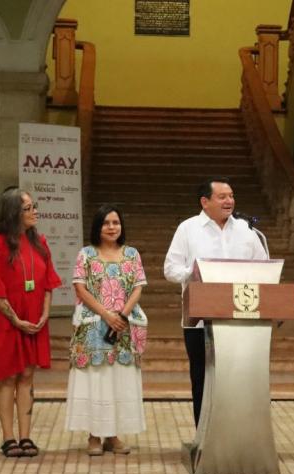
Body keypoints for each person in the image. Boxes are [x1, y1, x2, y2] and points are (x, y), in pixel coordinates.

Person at [163, 177, 268, 427]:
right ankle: (204, 435)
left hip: (241, 318)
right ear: (205, 201)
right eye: (222, 197)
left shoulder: (247, 231)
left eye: (231, 196)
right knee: (203, 378)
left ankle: (237, 433)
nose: (229, 201)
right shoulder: (187, 229)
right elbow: (170, 269)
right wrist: (193, 272)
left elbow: (264, 267)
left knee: (239, 380)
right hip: (199, 320)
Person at [0, 188, 61, 457]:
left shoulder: (40, 242)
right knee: (8, 377)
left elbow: (48, 283)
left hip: (34, 321)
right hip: (6, 321)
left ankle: (26, 436)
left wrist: (44, 314)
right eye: (27, 208)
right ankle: (8, 438)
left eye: (34, 206)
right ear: (13, 213)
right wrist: (16, 319)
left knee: (27, 375)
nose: (34, 211)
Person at [65, 206, 148, 455]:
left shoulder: (132, 254)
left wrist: (121, 315)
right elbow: (80, 288)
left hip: (123, 327)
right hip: (93, 326)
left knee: (118, 380)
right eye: (106, 223)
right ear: (97, 227)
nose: (112, 227)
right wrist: (106, 315)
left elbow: (138, 287)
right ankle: (94, 436)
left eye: (116, 222)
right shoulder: (86, 254)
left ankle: (113, 436)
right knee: (96, 379)